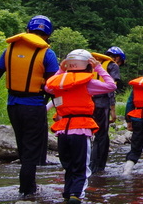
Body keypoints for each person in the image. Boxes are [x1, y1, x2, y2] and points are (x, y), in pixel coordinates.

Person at [0, 15, 59, 196]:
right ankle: (27, 192)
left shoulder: (10, 49)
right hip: (34, 107)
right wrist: (60, 110)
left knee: (24, 149)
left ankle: (29, 187)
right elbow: (54, 88)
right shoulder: (47, 53)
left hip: (13, 106)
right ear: (48, 35)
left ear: (28, 30)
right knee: (31, 152)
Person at [44, 49, 116, 204]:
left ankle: (67, 194)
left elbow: (48, 87)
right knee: (81, 167)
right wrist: (99, 68)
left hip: (63, 131)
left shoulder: (59, 82)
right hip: (81, 130)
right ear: (88, 65)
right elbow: (111, 86)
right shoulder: (88, 83)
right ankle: (76, 196)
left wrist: (61, 69)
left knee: (68, 166)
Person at [89, 47, 123, 173]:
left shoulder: (92, 64)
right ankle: (97, 167)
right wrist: (113, 109)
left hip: (89, 102)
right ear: (118, 58)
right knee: (101, 135)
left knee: (93, 134)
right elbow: (111, 88)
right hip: (102, 103)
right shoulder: (113, 65)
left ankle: (90, 164)